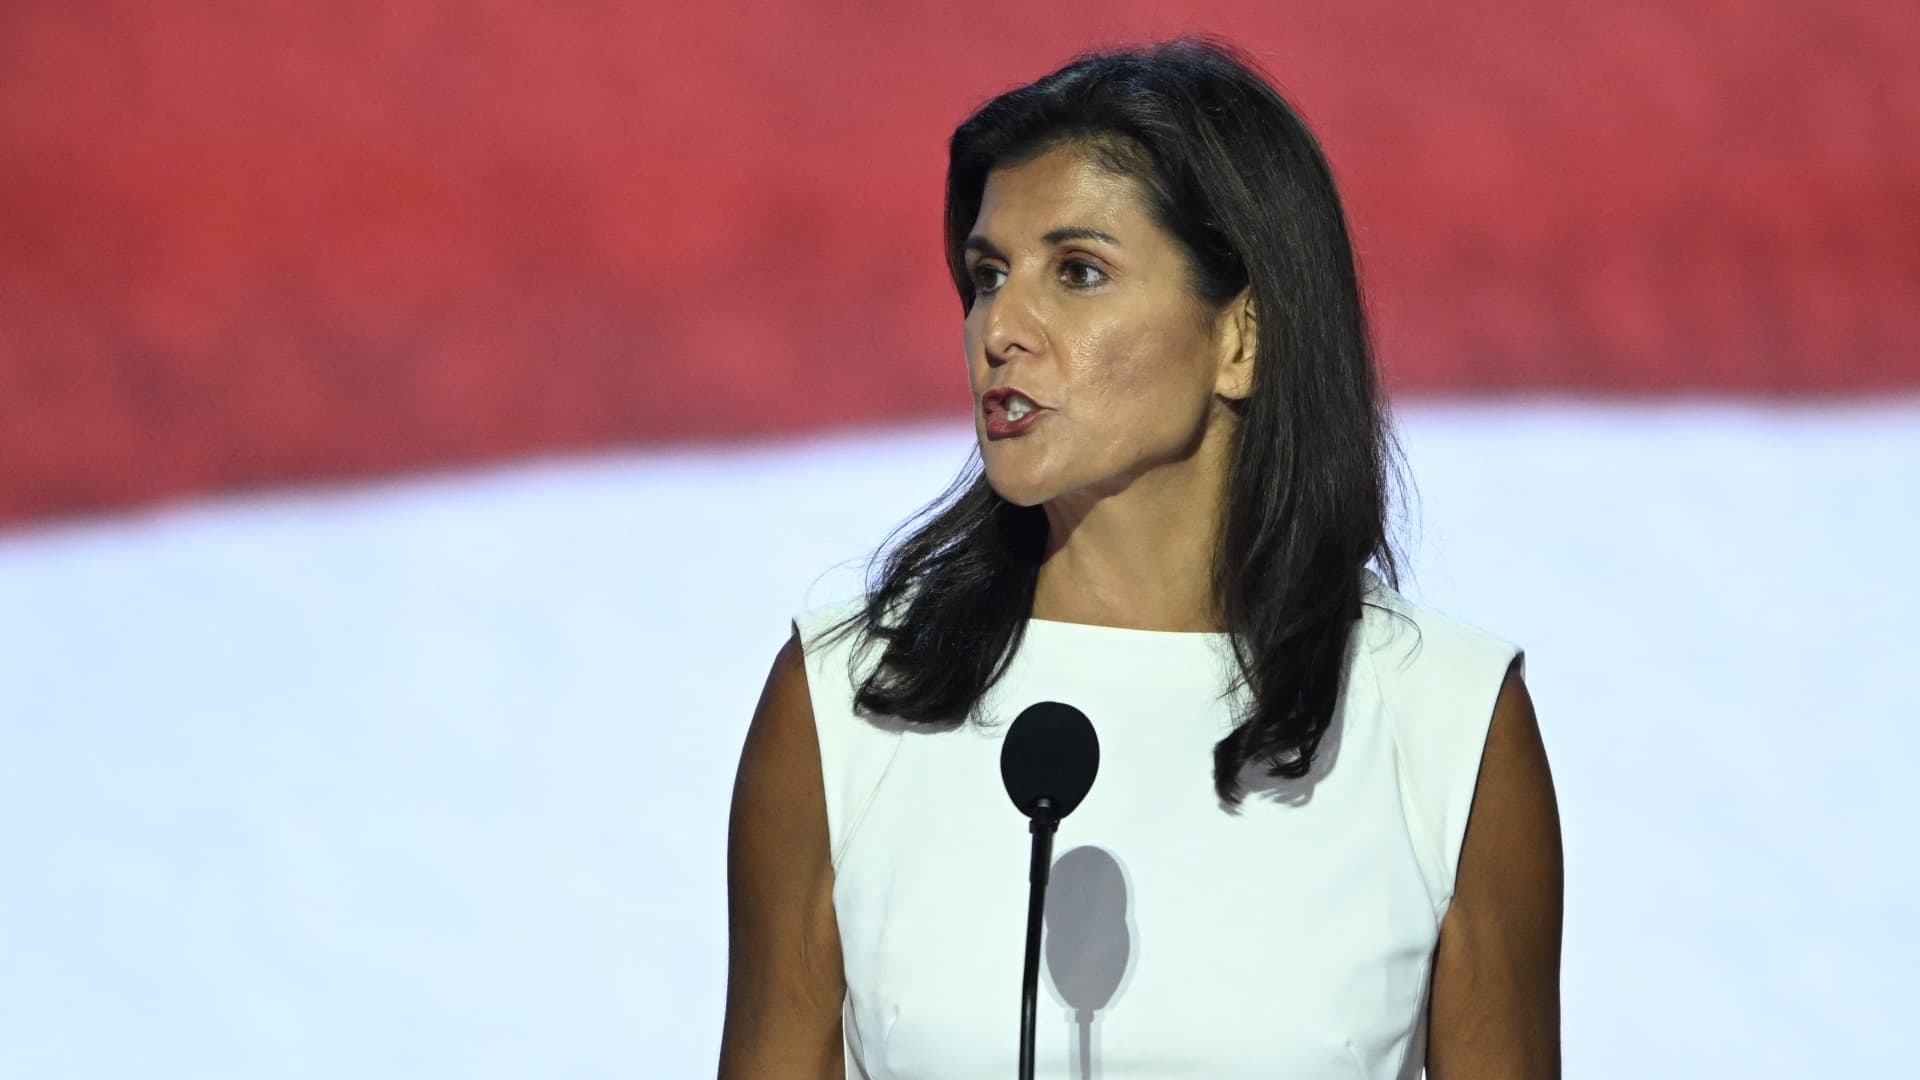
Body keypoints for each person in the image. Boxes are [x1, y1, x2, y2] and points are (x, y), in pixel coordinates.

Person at [720, 38, 1561, 1080]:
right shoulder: (848, 704)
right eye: (988, 276)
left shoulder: (1448, 724)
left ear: (1242, 337)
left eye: (1076, 272)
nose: (1000, 329)